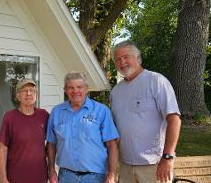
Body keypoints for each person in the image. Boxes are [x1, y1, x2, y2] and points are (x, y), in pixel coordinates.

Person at [110, 40, 182, 183]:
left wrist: (168, 157)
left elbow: (174, 119)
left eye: (126, 57)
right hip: (125, 166)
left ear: (138, 58)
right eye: (117, 59)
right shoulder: (116, 91)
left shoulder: (156, 81)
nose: (122, 62)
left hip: (154, 165)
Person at [46, 71, 119, 183]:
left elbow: (112, 145)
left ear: (87, 89)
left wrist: (112, 174)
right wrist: (51, 170)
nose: (75, 91)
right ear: (65, 90)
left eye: (79, 87)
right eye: (71, 88)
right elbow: (51, 144)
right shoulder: (56, 112)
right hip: (66, 176)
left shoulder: (101, 111)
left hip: (95, 177)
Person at [0, 78, 49, 183]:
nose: (29, 93)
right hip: (16, 178)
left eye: (32, 90)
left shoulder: (44, 115)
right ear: (18, 96)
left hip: (40, 177)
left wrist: (51, 169)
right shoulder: (10, 117)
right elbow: (2, 150)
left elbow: (52, 142)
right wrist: (3, 178)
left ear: (36, 95)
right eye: (24, 91)